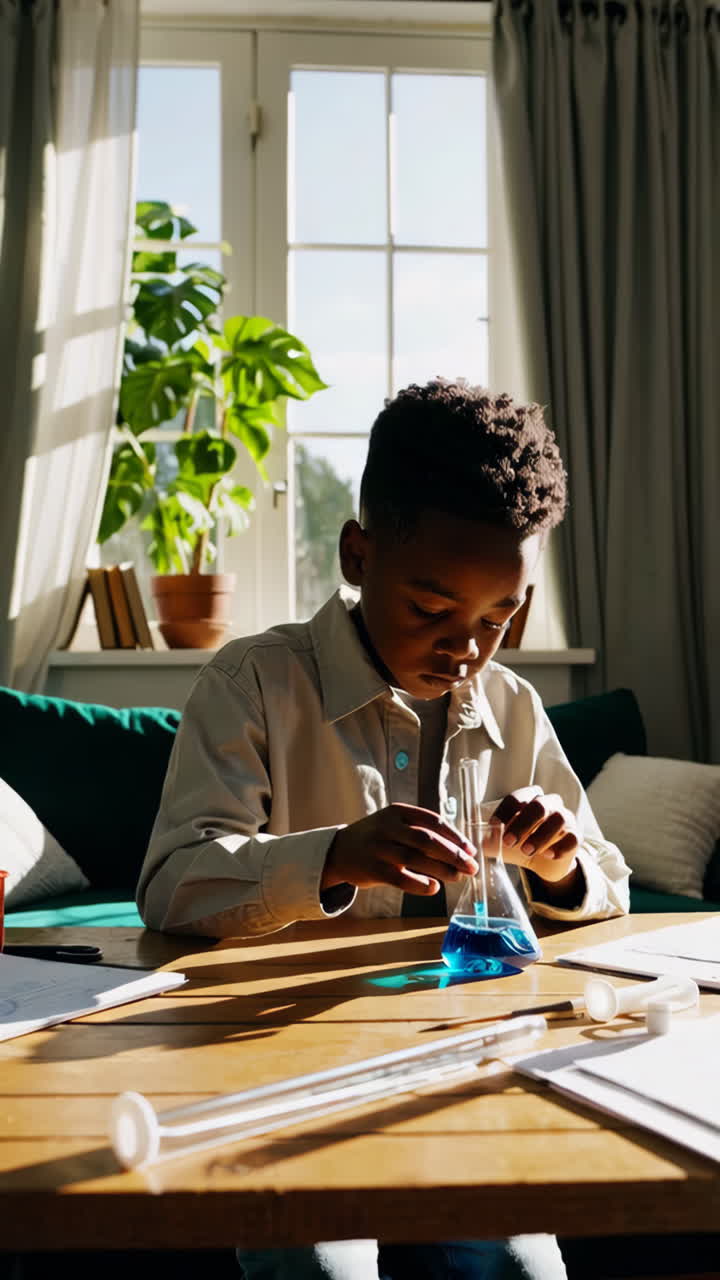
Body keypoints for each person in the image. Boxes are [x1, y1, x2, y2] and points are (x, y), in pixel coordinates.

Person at [137, 380, 630, 1280]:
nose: (465, 649)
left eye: (497, 618)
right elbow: (174, 881)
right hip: (285, 1069)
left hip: (473, 1065)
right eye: (432, 610)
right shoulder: (254, 684)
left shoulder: (511, 707)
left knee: (516, 1270)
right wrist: (334, 855)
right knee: (318, 1272)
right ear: (358, 554)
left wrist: (561, 867)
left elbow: (606, 878)